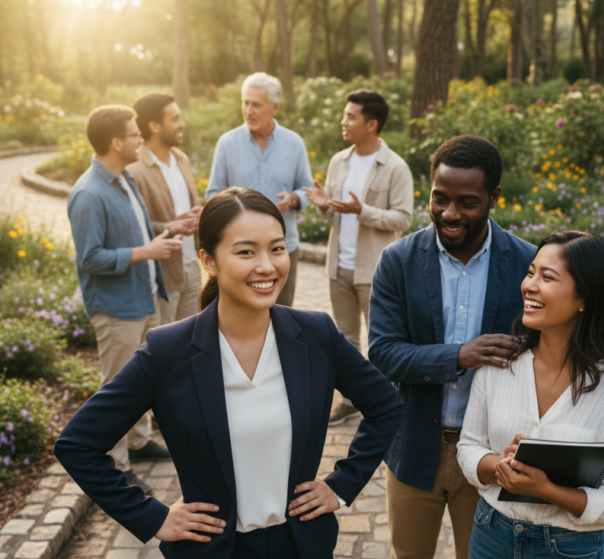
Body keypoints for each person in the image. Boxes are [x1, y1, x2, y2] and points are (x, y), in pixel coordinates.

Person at [55, 187, 405, 559]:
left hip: (303, 555)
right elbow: (78, 444)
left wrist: (341, 485)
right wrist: (151, 516)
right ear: (209, 261)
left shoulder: (317, 334)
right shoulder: (167, 351)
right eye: (245, 252)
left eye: (276, 248)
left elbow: (386, 406)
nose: (267, 266)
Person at [367, 135, 604, 559]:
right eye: (439, 199)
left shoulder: (524, 261)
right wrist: (459, 355)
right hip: (415, 443)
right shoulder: (398, 260)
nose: (450, 213)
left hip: (498, 450)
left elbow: (568, 315)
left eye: (468, 201)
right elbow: (382, 353)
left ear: (495, 197)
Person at [457, 231, 604, 559]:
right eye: (530, 272)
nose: (529, 285)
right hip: (491, 538)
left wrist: (546, 490)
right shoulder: (500, 363)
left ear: (586, 298)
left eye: (547, 277)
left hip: (569, 554)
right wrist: (501, 465)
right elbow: (469, 446)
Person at [66, 105, 180, 495]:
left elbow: (139, 233)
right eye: (134, 135)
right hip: (116, 308)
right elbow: (90, 258)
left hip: (144, 298)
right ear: (116, 142)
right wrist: (145, 253)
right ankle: (115, 464)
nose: (139, 140)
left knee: (142, 381)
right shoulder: (88, 194)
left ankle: (137, 441)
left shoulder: (124, 179)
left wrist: (171, 229)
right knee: (116, 388)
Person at [303, 90, 414, 426]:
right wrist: (325, 204)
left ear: (372, 124)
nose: (343, 121)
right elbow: (334, 213)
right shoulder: (340, 161)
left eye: (351, 116)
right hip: (338, 266)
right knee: (346, 339)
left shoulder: (395, 167)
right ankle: (350, 400)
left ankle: (384, 404)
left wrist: (361, 211)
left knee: (381, 341)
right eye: (344, 114)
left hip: (375, 269)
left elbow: (403, 219)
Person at [205, 73, 314, 307]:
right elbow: (212, 193)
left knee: (282, 316)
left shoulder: (294, 143)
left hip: (282, 247)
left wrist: (295, 198)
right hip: (238, 249)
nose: (249, 110)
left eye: (256, 105)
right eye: (245, 103)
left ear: (274, 107)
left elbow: (307, 188)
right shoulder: (227, 143)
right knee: (235, 313)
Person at [129, 92, 203, 324]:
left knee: (193, 341)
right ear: (154, 126)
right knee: (163, 346)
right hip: (163, 276)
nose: (182, 124)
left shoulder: (181, 158)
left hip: (192, 266)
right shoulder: (134, 170)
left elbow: (191, 206)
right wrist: (170, 226)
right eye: (175, 119)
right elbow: (134, 228)